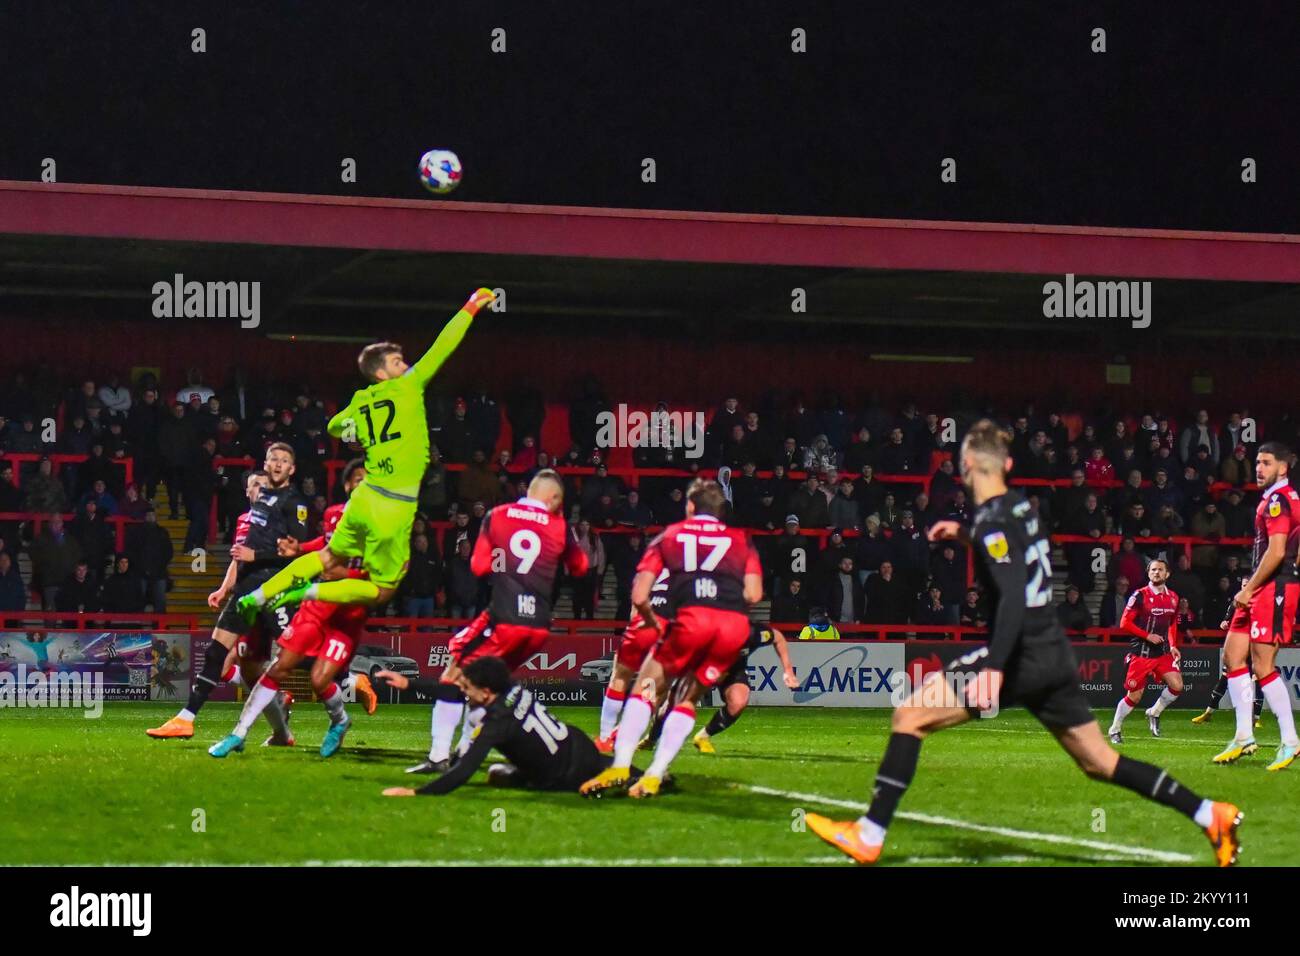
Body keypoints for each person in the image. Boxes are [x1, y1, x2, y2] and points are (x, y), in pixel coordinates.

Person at [804, 420, 1242, 867]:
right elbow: (1013, 558)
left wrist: (994, 667)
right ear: (1009, 464)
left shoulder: (992, 519)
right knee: (1100, 762)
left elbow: (1012, 591)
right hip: (1052, 652)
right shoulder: (1020, 509)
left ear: (967, 463)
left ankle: (870, 834)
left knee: (910, 715)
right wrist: (965, 536)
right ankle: (1211, 814)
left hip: (1019, 652)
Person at [235, 288, 493, 625]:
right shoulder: (409, 385)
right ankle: (304, 593)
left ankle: (260, 594)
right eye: (398, 362)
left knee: (328, 556)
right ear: (382, 372)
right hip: (395, 505)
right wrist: (471, 307)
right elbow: (443, 346)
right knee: (383, 590)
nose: (407, 364)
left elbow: (333, 425)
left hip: (365, 497)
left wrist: (351, 432)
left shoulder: (362, 399)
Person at [582, 479, 761, 798]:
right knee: (687, 699)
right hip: (729, 627)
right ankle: (654, 774)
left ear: (691, 507)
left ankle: (621, 765)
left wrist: (656, 623)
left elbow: (638, 596)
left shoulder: (672, 536)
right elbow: (754, 594)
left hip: (690, 621)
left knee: (645, 687)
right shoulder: (741, 540)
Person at [407, 470, 587, 774]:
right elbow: (581, 567)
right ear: (553, 498)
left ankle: (439, 755)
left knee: (455, 671)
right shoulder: (560, 526)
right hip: (539, 627)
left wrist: (505, 563)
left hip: (504, 618)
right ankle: (465, 751)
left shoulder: (498, 515)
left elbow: (479, 566)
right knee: (486, 685)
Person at [209, 460, 379, 758]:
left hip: (344, 608)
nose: (257, 490)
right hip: (310, 600)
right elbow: (322, 547)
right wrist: (299, 552)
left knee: (314, 674)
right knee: (273, 664)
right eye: (355, 480)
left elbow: (377, 577)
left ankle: (342, 707)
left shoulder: (382, 524)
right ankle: (239, 733)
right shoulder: (333, 515)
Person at [146, 445, 307, 739]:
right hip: (246, 588)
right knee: (218, 652)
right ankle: (186, 718)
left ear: (292, 469)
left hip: (273, 587)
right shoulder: (258, 506)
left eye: (284, 461)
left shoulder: (293, 502)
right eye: (273, 459)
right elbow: (239, 556)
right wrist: (226, 586)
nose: (277, 465)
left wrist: (255, 557)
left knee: (299, 656)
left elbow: (297, 551)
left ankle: (349, 677)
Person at [380, 657, 620, 797]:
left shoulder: (497, 723)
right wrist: (409, 684)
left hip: (561, 778)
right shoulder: (510, 687)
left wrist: (416, 792)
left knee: (497, 773)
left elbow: (464, 771)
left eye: (466, 687)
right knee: (631, 774)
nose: (461, 691)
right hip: (580, 747)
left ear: (485, 692)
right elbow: (452, 692)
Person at [1212, 442, 1300, 769]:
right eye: (1257, 462)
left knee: (1262, 665)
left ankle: (1290, 741)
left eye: (1266, 462)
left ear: (1283, 467)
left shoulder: (1279, 500)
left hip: (1273, 586)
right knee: (1233, 656)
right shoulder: (1279, 499)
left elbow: (1277, 552)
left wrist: (1249, 588)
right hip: (1264, 586)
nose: (1259, 468)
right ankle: (1244, 735)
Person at [1106, 558, 1183, 742]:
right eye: (1153, 570)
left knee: (1177, 686)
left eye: (1160, 569)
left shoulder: (1173, 597)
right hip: (1142, 653)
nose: (1156, 572)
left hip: (1163, 652)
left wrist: (1173, 645)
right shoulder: (1139, 595)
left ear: (1167, 574)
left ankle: (1154, 712)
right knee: (1134, 696)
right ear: (1148, 574)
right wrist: (1147, 636)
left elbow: (1172, 623)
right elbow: (1125, 623)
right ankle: (1114, 729)